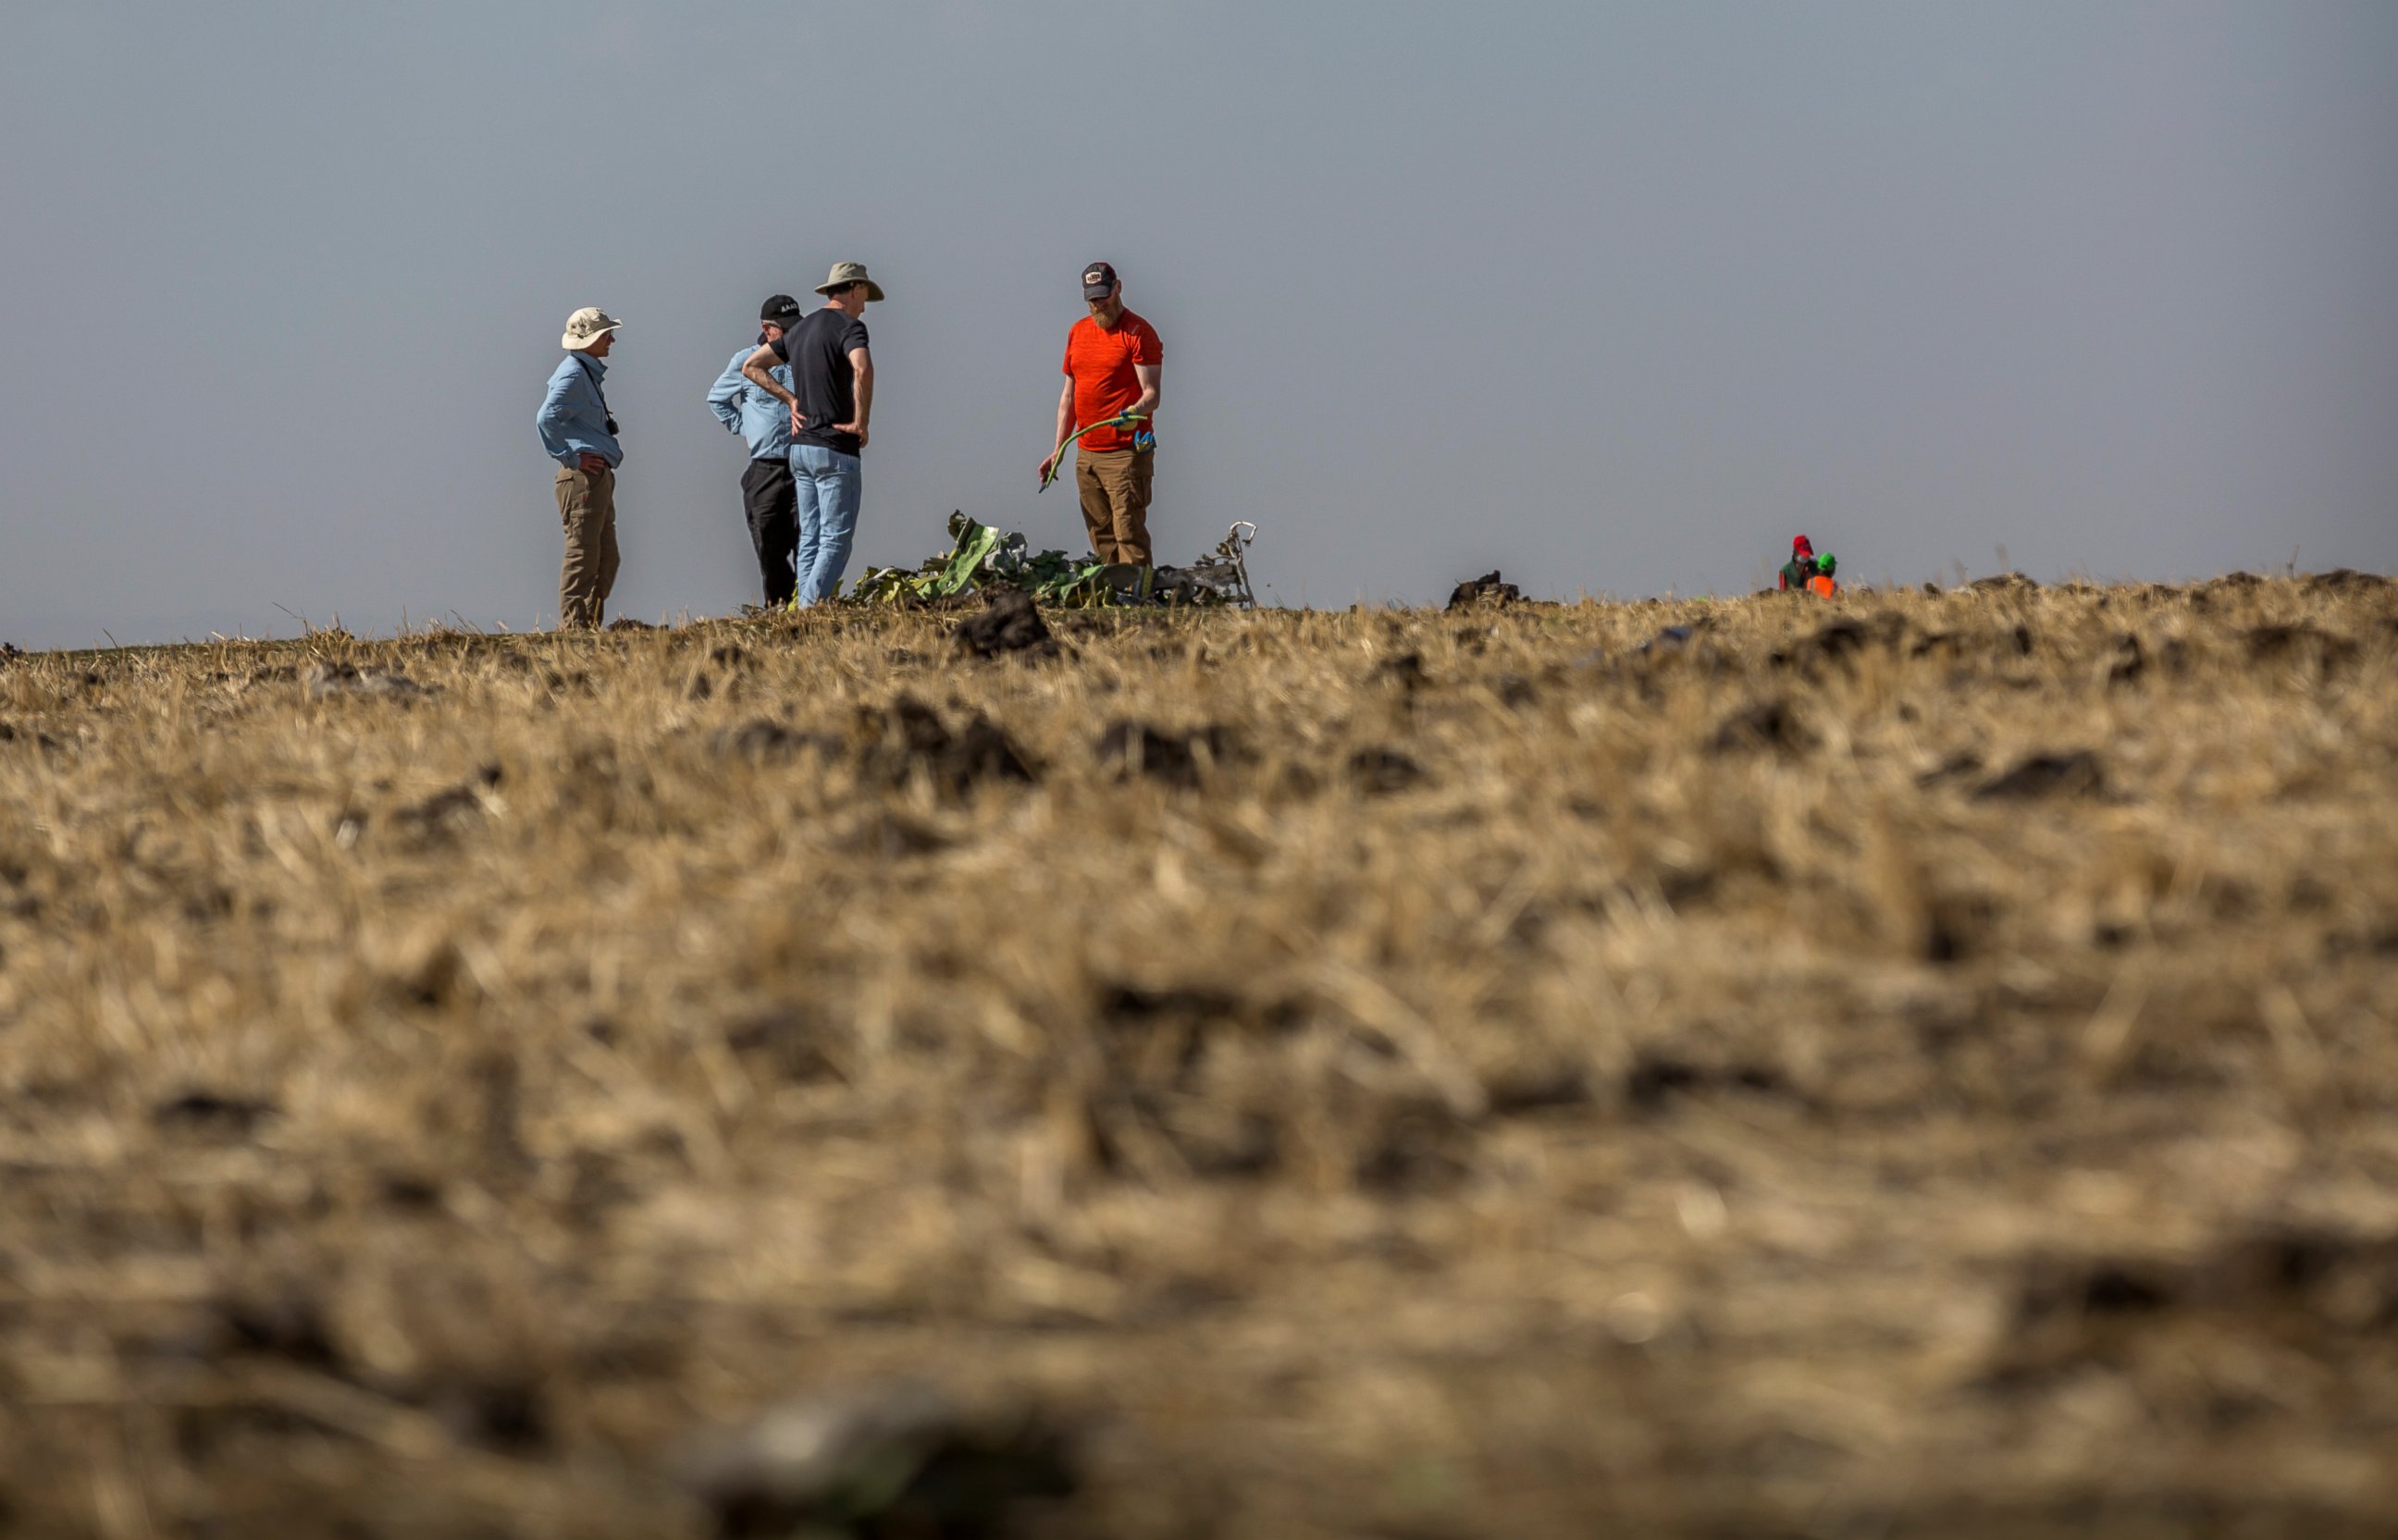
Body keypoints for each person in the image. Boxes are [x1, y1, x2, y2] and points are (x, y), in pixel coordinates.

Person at [742, 263, 880, 608]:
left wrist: (791, 401)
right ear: (856, 289)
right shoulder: (851, 326)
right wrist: (861, 423)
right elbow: (862, 368)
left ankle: (798, 609)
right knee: (836, 538)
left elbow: (752, 367)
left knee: (811, 539)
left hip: (800, 450)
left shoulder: (802, 330)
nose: (864, 306)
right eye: (865, 297)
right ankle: (807, 610)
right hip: (835, 447)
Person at [1039, 262, 1162, 569]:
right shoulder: (1078, 332)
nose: (1098, 304)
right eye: (1092, 298)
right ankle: (1113, 603)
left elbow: (1152, 395)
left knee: (1128, 532)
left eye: (1103, 296)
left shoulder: (1138, 332)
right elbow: (1069, 396)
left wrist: (1133, 412)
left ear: (1117, 288)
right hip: (1087, 453)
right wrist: (1059, 449)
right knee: (1100, 534)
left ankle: (1139, 600)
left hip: (1126, 453)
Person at [709, 295, 804, 607]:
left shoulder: (806, 357)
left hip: (804, 463)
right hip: (764, 467)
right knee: (767, 544)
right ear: (767, 328)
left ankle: (809, 604)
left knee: (808, 537)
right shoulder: (746, 360)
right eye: (785, 330)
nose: (792, 335)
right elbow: (717, 399)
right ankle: (778, 605)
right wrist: (745, 428)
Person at [537, 307, 625, 629]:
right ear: (588, 340)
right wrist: (570, 457)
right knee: (583, 555)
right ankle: (574, 630)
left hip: (596, 477)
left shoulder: (583, 372)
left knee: (605, 558)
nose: (611, 340)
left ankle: (587, 627)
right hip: (582, 478)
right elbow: (545, 418)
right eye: (605, 335)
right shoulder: (573, 374)